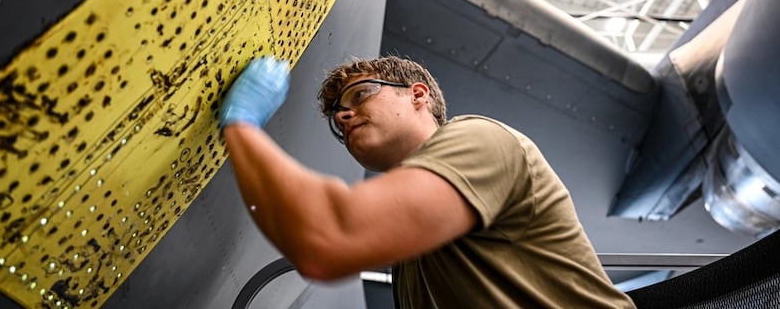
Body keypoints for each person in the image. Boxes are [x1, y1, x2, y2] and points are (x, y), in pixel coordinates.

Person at [219, 55, 635, 308]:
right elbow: (311, 242)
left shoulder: (480, 139)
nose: (343, 116)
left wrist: (240, 126)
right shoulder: (412, 259)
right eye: (337, 117)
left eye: (360, 95)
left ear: (418, 95)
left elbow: (328, 239)